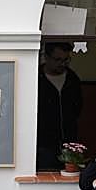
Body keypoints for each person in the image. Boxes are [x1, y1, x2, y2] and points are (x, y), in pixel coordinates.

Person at [36, 42, 83, 171]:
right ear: (46, 57)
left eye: (66, 60)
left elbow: (78, 107)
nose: (62, 63)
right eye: (58, 60)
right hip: (42, 141)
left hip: (69, 140)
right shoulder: (36, 77)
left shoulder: (72, 79)